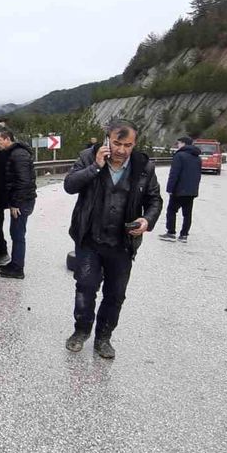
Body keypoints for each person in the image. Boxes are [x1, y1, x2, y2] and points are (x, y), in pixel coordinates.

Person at [63, 120, 162, 359]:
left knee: (115, 294)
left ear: (134, 144)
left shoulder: (144, 166)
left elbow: (154, 200)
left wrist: (146, 220)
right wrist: (95, 166)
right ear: (107, 139)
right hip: (89, 239)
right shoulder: (88, 157)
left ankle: (103, 338)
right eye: (117, 143)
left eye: (128, 145)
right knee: (85, 287)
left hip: (122, 244)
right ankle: (81, 331)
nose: (121, 150)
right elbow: (69, 185)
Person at [0, 130, 36, 279]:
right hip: (21, 199)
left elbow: (24, 181)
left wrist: (15, 203)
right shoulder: (13, 153)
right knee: (16, 233)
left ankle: (17, 269)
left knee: (18, 234)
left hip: (22, 201)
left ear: (7, 139)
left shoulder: (18, 155)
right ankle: (14, 264)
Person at [160, 136, 201, 243]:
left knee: (171, 211)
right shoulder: (197, 157)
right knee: (187, 214)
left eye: (178, 143)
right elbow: (198, 176)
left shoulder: (179, 156)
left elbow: (174, 174)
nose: (177, 145)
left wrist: (170, 188)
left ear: (183, 144)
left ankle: (171, 233)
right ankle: (184, 235)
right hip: (191, 191)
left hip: (178, 190)